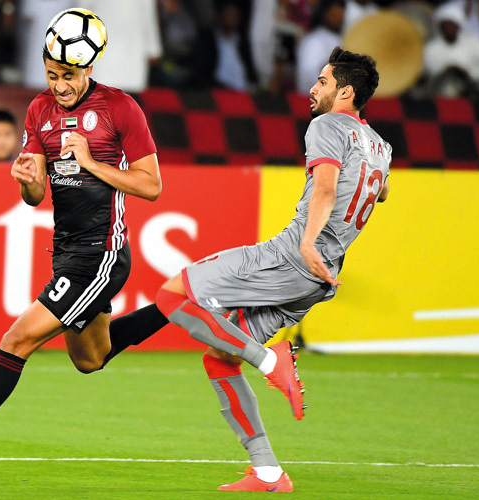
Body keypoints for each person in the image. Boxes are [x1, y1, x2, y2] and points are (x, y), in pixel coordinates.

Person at [0, 8, 166, 481]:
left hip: (100, 255)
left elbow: (151, 186)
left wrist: (91, 163)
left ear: (89, 67)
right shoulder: (39, 110)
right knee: (90, 359)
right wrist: (27, 180)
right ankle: (183, 304)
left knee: (16, 340)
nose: (59, 85)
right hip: (66, 250)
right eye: (51, 74)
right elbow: (36, 196)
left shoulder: (120, 108)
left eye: (68, 76)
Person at [154, 47, 390, 492]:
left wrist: (306, 241)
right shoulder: (381, 146)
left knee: (171, 296)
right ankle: (268, 472)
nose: (312, 89)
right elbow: (381, 193)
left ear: (345, 92)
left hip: (292, 257)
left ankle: (269, 360)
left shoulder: (326, 125)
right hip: (321, 277)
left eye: (322, 81)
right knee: (221, 357)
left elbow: (325, 189)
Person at [423, 2, 479, 98]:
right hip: (439, 93)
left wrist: (468, 72)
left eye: (452, 24)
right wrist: (444, 72)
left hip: (473, 91)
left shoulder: (473, 42)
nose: (449, 28)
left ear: (458, 26)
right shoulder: (430, 47)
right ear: (440, 27)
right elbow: (425, 72)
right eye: (445, 25)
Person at [295, 0, 345, 93]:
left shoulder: (341, 39)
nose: (339, 19)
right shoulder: (314, 41)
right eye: (335, 15)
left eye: (341, 15)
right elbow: (307, 77)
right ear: (325, 14)